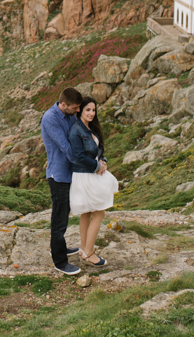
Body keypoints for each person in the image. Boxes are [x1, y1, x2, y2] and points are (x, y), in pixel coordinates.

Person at [40, 87, 86, 275]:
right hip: (58, 175)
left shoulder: (70, 115)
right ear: (63, 104)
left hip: (69, 173)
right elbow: (67, 148)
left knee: (64, 214)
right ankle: (60, 262)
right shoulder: (50, 118)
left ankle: (57, 246)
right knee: (59, 219)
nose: (78, 111)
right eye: (75, 108)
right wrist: (88, 163)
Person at [69, 97, 119, 267]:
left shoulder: (91, 129)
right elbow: (79, 157)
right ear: (80, 110)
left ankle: (84, 249)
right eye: (88, 110)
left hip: (92, 173)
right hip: (84, 175)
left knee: (87, 212)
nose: (91, 113)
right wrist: (97, 165)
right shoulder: (76, 131)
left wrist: (102, 161)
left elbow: (99, 150)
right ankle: (89, 253)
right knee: (99, 213)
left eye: (93, 110)